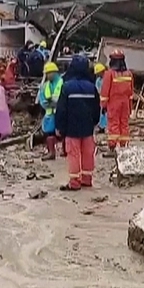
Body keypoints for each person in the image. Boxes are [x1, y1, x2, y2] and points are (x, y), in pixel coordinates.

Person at [55, 55, 101, 190]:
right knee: (88, 152)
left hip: (71, 128)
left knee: (73, 153)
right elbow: (96, 107)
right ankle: (87, 179)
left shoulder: (67, 87)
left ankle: (74, 182)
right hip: (87, 127)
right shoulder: (91, 87)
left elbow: (61, 109)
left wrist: (59, 127)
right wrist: (95, 122)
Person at [100, 49, 133, 151]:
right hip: (125, 103)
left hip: (114, 104)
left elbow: (105, 92)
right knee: (124, 124)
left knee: (113, 124)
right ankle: (124, 146)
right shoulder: (129, 74)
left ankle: (112, 148)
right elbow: (131, 93)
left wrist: (103, 105)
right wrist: (130, 107)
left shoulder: (109, 74)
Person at [37, 61, 63, 160]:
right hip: (49, 113)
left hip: (60, 112)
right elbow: (42, 98)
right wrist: (47, 104)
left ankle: (65, 151)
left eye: (48, 73)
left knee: (64, 133)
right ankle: (51, 152)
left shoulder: (62, 83)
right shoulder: (45, 86)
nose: (47, 76)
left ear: (54, 72)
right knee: (48, 133)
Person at [93, 62, 108, 134]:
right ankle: (101, 126)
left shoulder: (107, 79)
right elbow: (97, 90)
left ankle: (105, 126)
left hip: (107, 100)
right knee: (101, 114)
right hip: (101, 100)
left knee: (106, 114)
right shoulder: (98, 80)